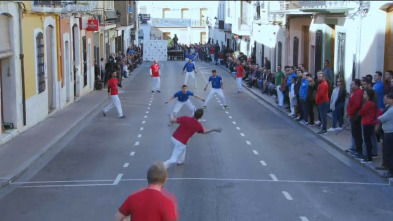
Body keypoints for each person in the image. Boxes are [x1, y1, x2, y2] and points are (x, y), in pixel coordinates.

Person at [115, 162, 179, 221]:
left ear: (148, 178)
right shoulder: (167, 202)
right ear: (164, 180)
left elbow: (118, 217)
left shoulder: (133, 198)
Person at [359, 89, 381, 162]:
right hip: (371, 123)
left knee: (367, 140)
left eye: (364, 94)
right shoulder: (373, 103)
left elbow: (361, 112)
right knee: (369, 139)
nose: (363, 95)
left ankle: (368, 156)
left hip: (367, 122)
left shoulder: (368, 103)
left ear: (368, 95)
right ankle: (369, 155)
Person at [346, 79, 364, 157]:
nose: (351, 85)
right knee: (354, 133)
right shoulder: (354, 92)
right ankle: (355, 148)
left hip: (355, 116)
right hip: (352, 115)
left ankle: (359, 150)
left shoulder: (358, 92)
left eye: (352, 84)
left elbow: (357, 105)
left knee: (357, 134)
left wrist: (350, 112)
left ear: (357, 85)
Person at [378, 93, 393, 177]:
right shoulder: (389, 108)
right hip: (387, 132)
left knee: (389, 152)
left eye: (389, 99)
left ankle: (391, 171)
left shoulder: (391, 110)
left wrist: (378, 117)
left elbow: (381, 118)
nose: (387, 100)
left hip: (390, 133)